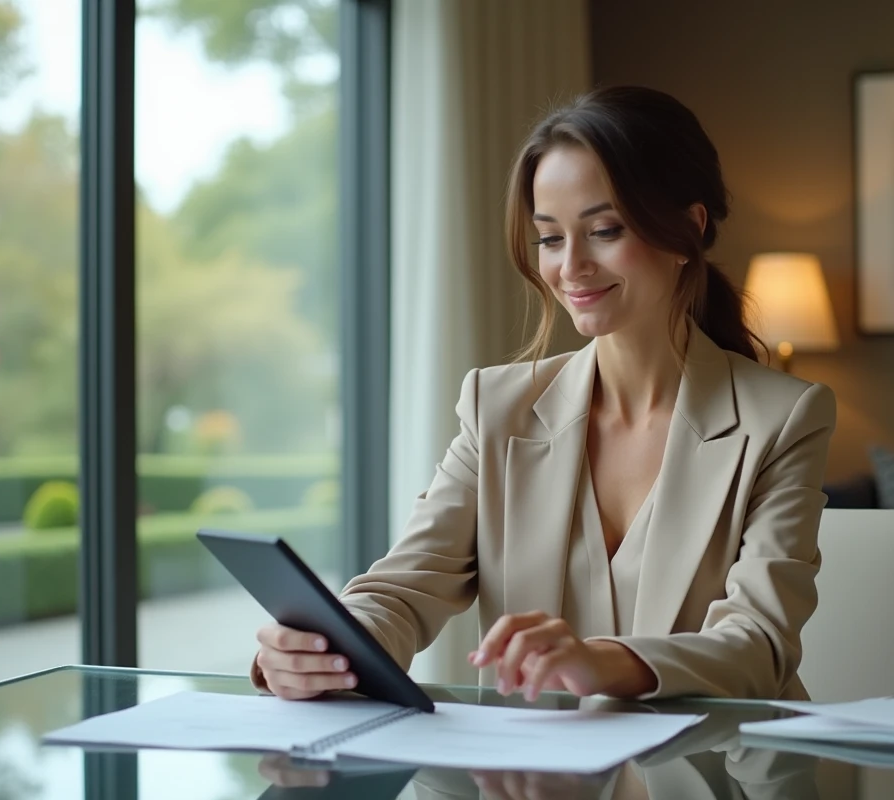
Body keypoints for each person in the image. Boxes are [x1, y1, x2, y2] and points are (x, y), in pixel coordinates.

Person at [252, 85, 836, 703]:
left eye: (604, 230)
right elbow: (403, 588)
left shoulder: (783, 418)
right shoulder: (496, 407)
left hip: (717, 774)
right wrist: (327, 647)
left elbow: (760, 643)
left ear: (688, 229)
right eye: (551, 238)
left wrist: (604, 663)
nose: (571, 266)